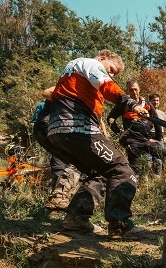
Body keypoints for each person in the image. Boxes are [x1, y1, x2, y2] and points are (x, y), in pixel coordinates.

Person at [45, 49, 149, 236]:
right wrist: (131, 104)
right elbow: (107, 86)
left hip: (57, 131)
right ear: (102, 58)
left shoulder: (73, 72)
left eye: (114, 73)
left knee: (100, 172)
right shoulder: (91, 64)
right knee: (122, 170)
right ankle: (120, 225)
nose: (110, 74)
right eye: (111, 69)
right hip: (77, 129)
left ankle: (76, 218)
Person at [31, 100, 80, 212]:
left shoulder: (45, 104)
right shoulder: (69, 96)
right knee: (71, 160)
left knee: (59, 158)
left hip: (47, 127)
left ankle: (57, 197)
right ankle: (60, 198)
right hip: (58, 127)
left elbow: (35, 122)